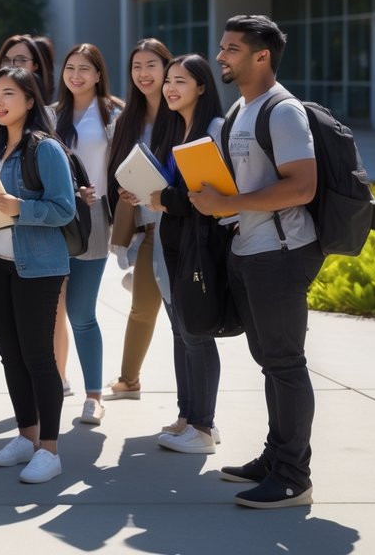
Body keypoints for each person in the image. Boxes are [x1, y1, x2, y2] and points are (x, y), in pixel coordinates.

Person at [190, 15, 322, 509]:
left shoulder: (282, 111)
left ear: (260, 55)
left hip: (281, 255)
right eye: (222, 47)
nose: (221, 56)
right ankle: (276, 458)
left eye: (231, 49)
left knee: (285, 364)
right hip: (249, 251)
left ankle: (293, 476)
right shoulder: (244, 108)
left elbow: (302, 185)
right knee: (270, 364)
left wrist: (228, 205)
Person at [0, 66, 76, 483]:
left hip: (37, 267)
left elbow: (64, 209)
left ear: (31, 100)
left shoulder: (45, 149)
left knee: (38, 357)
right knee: (11, 355)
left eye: (9, 94)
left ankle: (50, 450)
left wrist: (21, 208)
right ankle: (26, 435)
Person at [144, 53, 224, 454]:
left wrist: (164, 198)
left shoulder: (212, 129)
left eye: (181, 81)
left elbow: (207, 195)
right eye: (169, 80)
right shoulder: (177, 126)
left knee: (196, 335)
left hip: (198, 247)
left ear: (203, 87)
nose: (171, 87)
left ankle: (204, 428)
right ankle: (189, 415)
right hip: (174, 243)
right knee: (181, 333)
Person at [50, 44, 122, 425]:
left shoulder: (116, 114)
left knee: (80, 312)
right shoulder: (50, 115)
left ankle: (94, 396)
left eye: (85, 69)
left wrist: (103, 190)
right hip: (53, 219)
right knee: (50, 310)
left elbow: (126, 165)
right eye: (70, 68)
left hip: (94, 218)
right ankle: (51, 383)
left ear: (98, 74)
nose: (76, 75)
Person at [104, 38, 173, 401]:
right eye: (136, 67)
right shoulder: (124, 121)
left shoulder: (181, 116)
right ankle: (129, 380)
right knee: (142, 309)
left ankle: (195, 410)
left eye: (151, 66)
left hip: (179, 227)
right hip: (147, 229)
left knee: (184, 322)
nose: (143, 74)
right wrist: (126, 192)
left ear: (167, 68)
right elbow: (117, 173)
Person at [0, 34, 54, 104]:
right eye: (6, 60)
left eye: (21, 60)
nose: (12, 65)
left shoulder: (52, 111)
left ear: (35, 66)